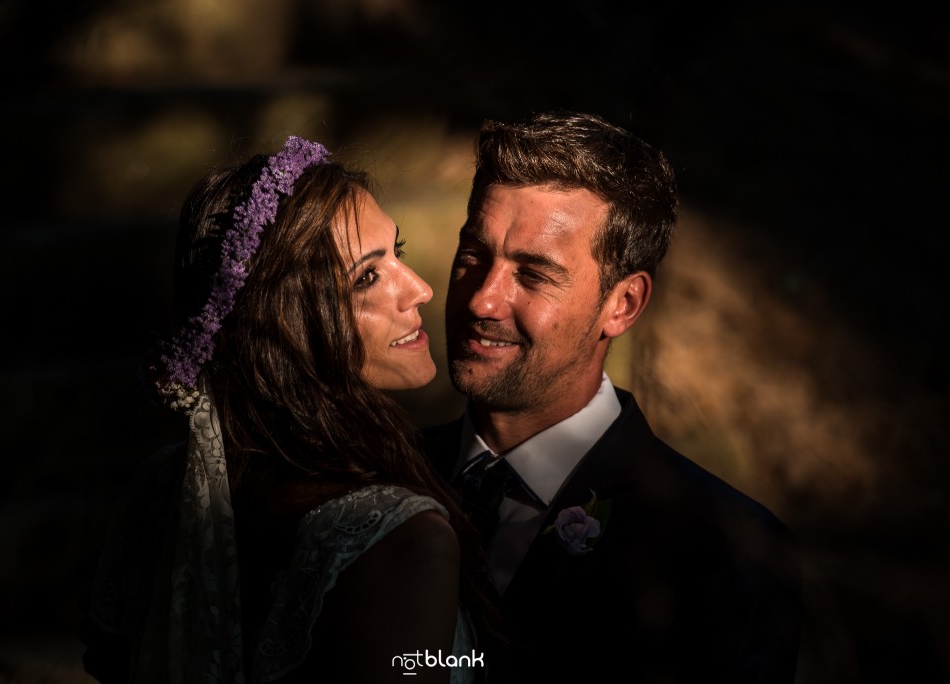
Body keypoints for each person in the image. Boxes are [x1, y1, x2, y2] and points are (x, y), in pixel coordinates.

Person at [81, 136, 495, 683]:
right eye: (367, 277)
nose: (418, 290)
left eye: (401, 251)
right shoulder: (399, 538)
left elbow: (110, 659)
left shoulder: (166, 485)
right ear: (288, 324)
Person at [422, 112, 803, 683]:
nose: (482, 300)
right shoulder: (375, 472)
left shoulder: (726, 550)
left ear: (622, 304)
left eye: (533, 275)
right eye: (472, 257)